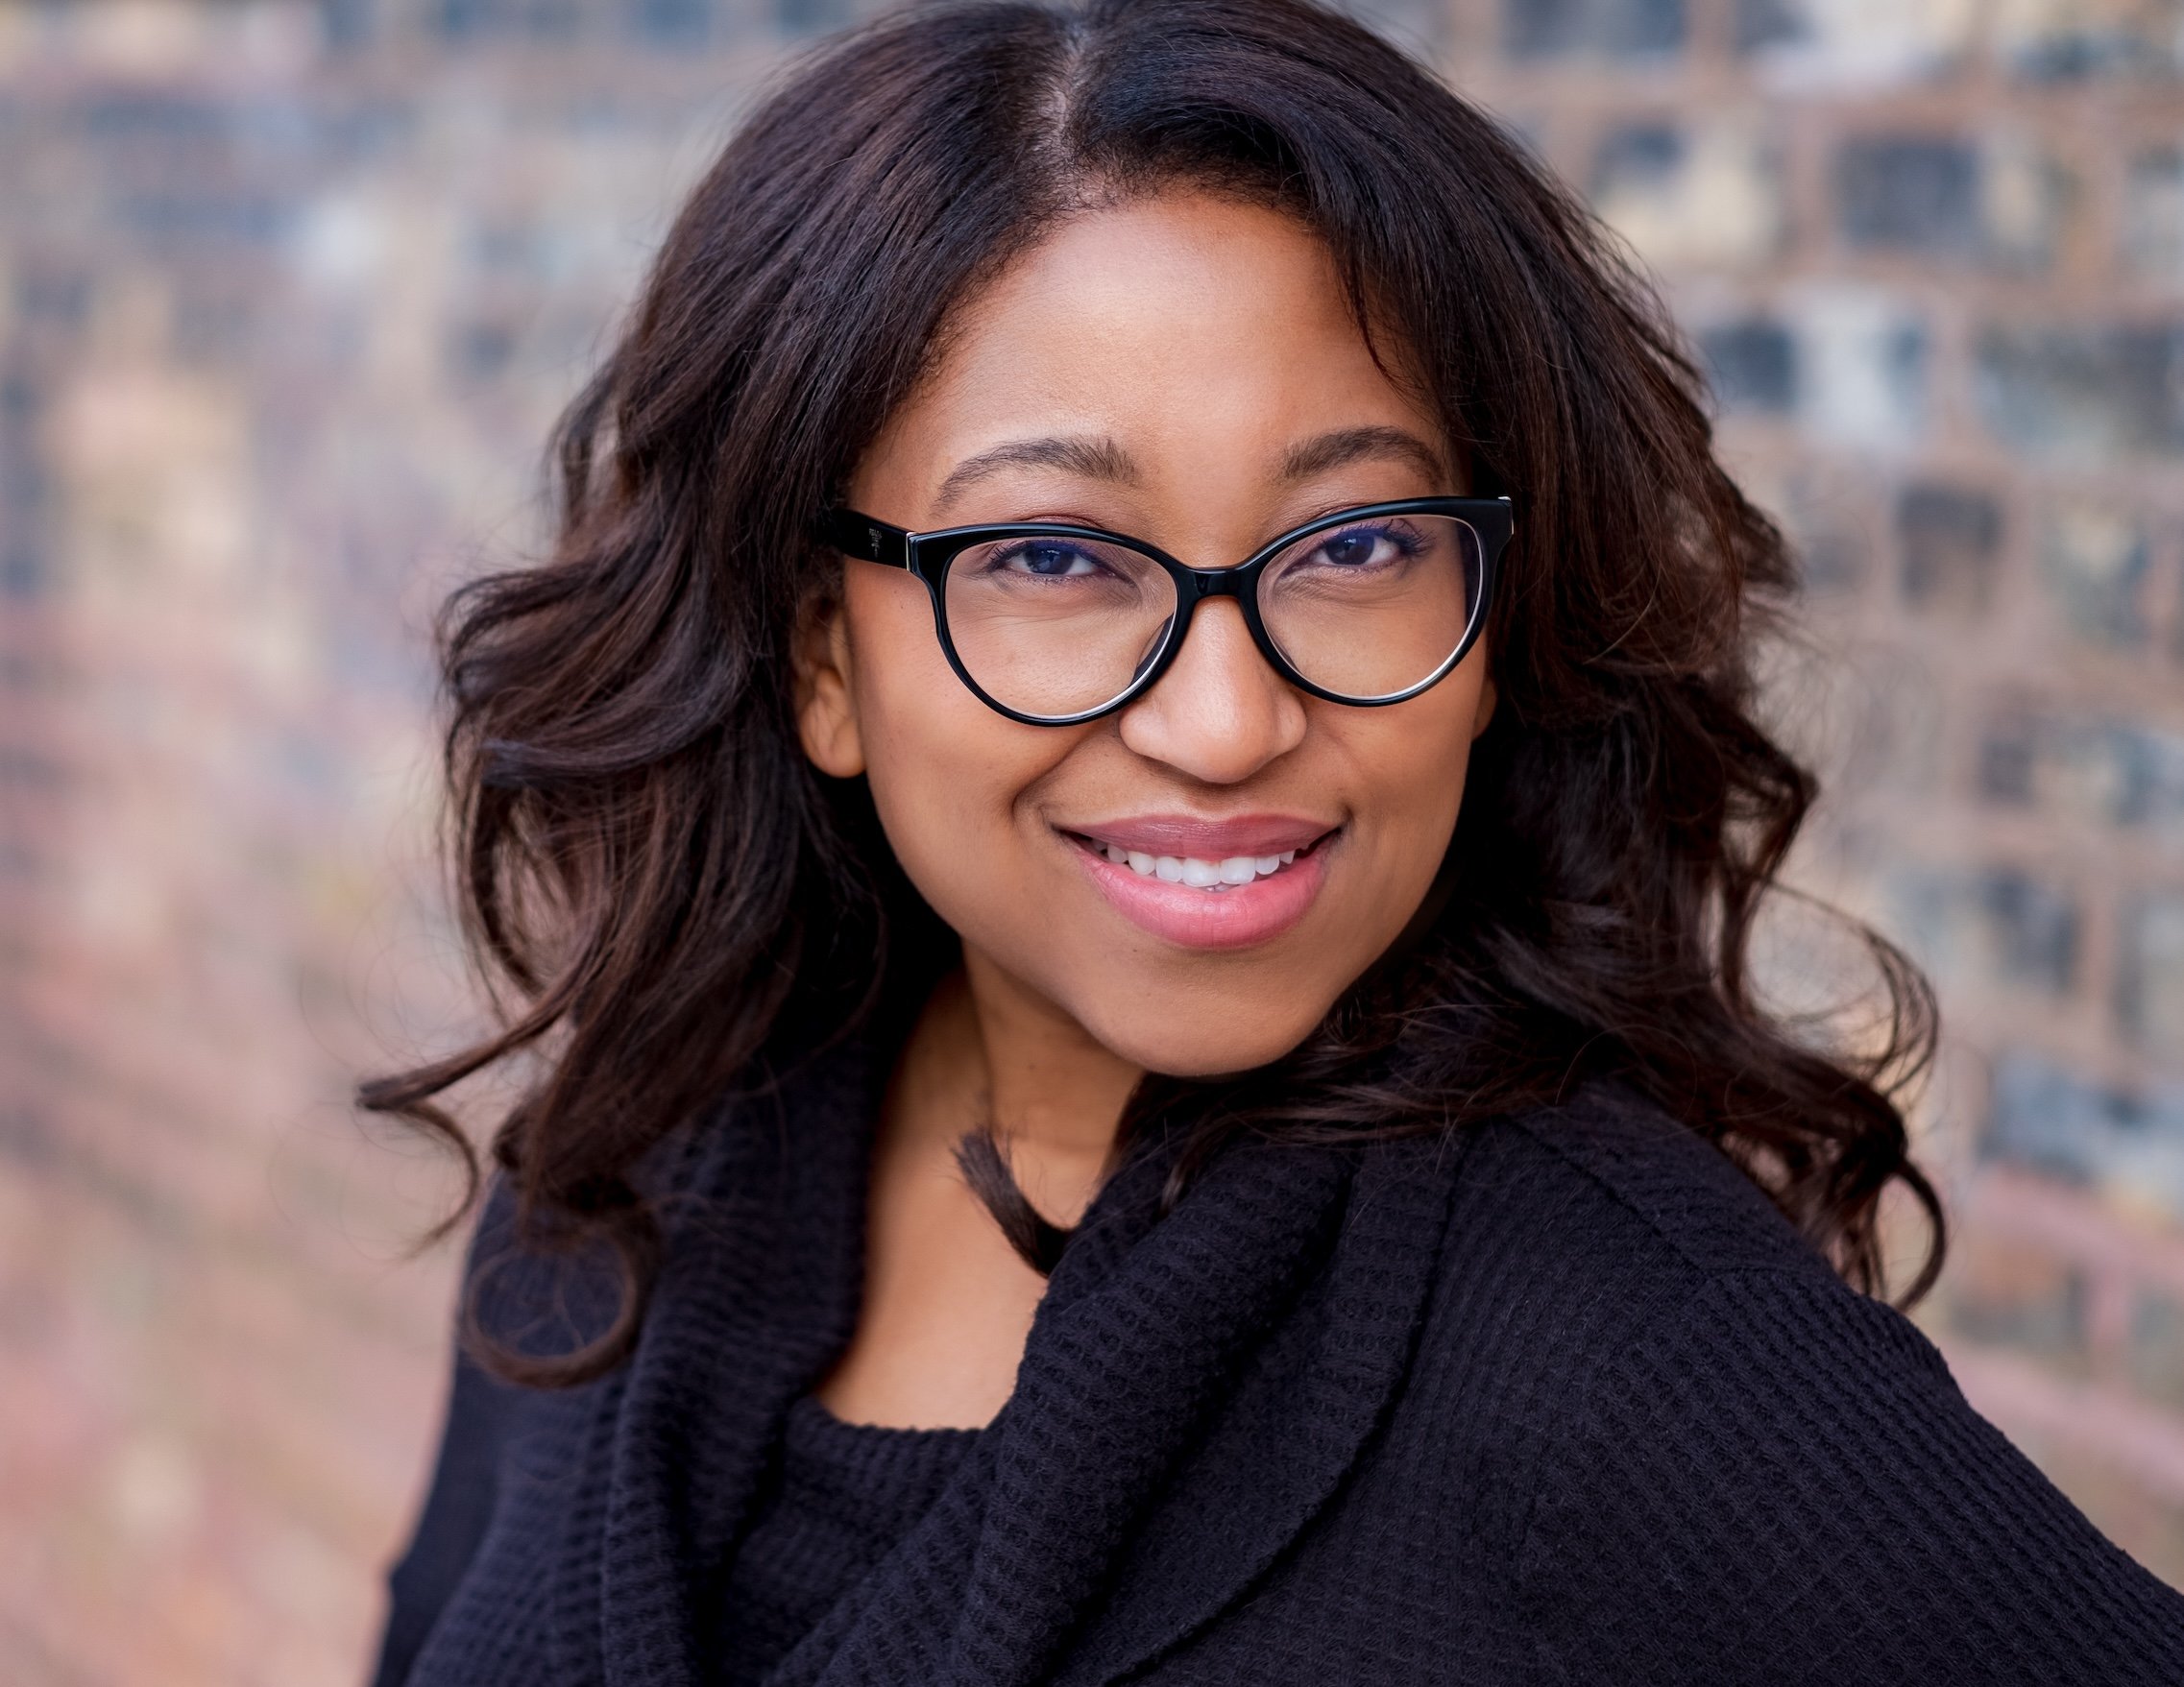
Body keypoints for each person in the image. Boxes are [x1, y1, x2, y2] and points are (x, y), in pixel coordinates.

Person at [363, 1, 2184, 1681]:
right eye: (1054, 558)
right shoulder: (625, 1175)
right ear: (822, 655)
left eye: (1359, 547)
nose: (1226, 722)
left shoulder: (1622, 1353)